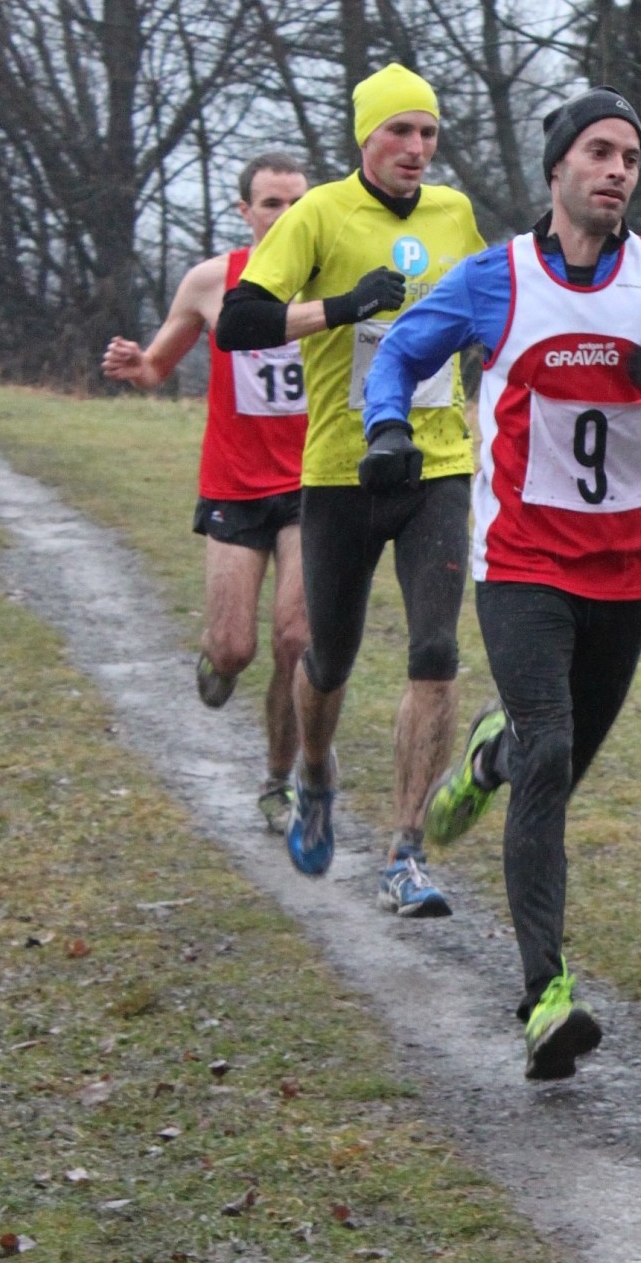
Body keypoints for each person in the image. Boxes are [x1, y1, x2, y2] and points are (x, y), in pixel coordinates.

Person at [360, 85, 641, 1079]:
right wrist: (386, 430)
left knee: (553, 764)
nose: (615, 170)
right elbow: (401, 353)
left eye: (629, 157)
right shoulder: (493, 280)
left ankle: (487, 761)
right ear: (557, 169)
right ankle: (546, 998)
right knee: (553, 754)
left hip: (629, 569)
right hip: (522, 562)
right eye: (597, 151)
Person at [216, 63, 485, 917]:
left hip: (437, 464)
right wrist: (338, 308)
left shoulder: (455, 215)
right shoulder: (318, 214)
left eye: (428, 133)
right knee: (326, 659)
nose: (415, 148)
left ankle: (407, 853)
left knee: (435, 652)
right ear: (364, 137)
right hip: (339, 472)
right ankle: (315, 773)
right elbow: (239, 322)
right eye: (399, 131)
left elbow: (491, 309)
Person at [102, 152, 311, 832]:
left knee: (295, 640)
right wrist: (135, 365)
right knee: (235, 649)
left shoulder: (332, 281)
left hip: (312, 482)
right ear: (245, 212)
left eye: (296, 204)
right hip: (235, 485)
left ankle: (278, 783)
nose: (285, 217)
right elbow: (158, 368)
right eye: (272, 204)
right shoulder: (212, 282)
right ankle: (215, 658)